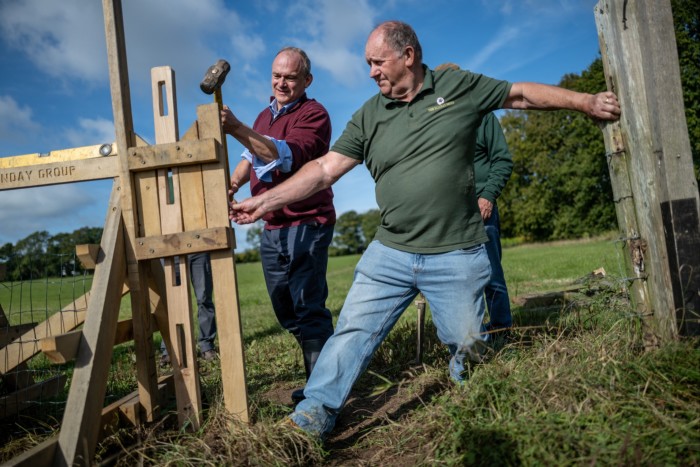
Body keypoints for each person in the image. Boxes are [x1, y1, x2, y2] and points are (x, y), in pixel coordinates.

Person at [230, 21, 621, 439]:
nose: (371, 72)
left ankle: (465, 379)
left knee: (469, 344)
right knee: (351, 332)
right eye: (367, 64)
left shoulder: (457, 87)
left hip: (455, 250)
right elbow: (324, 169)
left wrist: (584, 101)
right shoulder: (369, 115)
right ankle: (315, 412)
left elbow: (520, 94)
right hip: (391, 250)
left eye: (377, 62)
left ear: (408, 56)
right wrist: (264, 201)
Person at [221, 47, 335, 403]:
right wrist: (234, 183)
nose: (281, 83)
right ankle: (330, 366)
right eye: (276, 75)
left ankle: (321, 390)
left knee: (308, 304)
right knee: (284, 308)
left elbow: (280, 156)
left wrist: (236, 127)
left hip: (308, 221)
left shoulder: (314, 114)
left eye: (289, 77)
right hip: (272, 226)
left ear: (306, 81)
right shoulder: (262, 116)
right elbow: (249, 157)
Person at [437, 61, 514, 332]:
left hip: (480, 209)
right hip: (449, 214)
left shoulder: (484, 118)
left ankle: (502, 330)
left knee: (490, 274)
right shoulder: (436, 125)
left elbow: (502, 160)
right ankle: (471, 335)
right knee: (457, 278)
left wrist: (487, 195)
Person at [160, 252, 218, 365]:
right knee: (171, 303)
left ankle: (207, 346)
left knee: (204, 298)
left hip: (199, 248)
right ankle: (169, 349)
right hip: (169, 249)